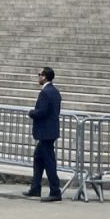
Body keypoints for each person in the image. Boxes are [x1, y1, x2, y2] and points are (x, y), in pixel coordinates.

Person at [22, 66, 63, 201]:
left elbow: (43, 112)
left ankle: (55, 191)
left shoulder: (45, 92)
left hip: (45, 132)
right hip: (50, 131)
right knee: (38, 158)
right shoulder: (55, 91)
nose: (38, 77)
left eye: (39, 74)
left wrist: (31, 113)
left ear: (44, 76)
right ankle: (35, 187)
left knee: (49, 162)